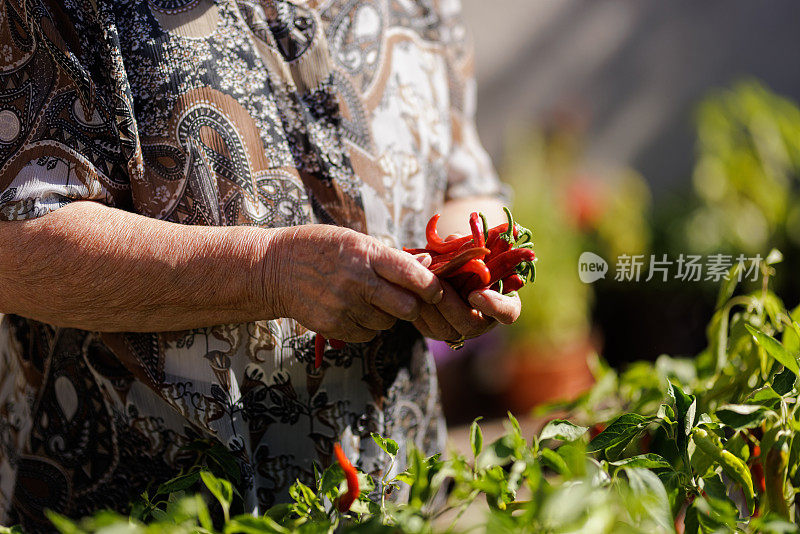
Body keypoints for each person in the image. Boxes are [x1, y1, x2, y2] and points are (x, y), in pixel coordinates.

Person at [0, 0, 520, 528]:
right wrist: (270, 270)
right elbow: (16, 241)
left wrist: (462, 264)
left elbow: (467, 179)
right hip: (142, 502)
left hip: (396, 490)